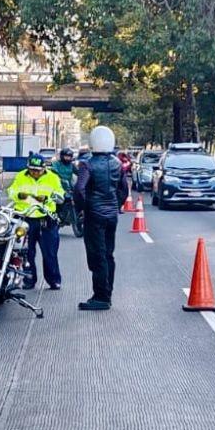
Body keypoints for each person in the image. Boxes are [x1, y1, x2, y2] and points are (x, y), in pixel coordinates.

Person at [75, 126, 129, 311]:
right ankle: (107, 292)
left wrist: (83, 209)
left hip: (94, 216)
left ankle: (101, 297)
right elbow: (124, 190)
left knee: (97, 256)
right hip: (111, 216)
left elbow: (79, 189)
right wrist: (116, 205)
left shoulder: (87, 164)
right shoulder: (117, 164)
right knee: (108, 254)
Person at [7, 153, 65, 290]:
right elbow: (11, 191)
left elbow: (60, 196)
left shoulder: (53, 178)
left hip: (46, 219)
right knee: (26, 252)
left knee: (49, 252)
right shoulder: (21, 176)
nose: (35, 173)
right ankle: (29, 279)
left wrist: (46, 198)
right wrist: (18, 195)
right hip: (25, 219)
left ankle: (54, 280)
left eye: (37, 170)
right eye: (32, 170)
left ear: (44, 168)